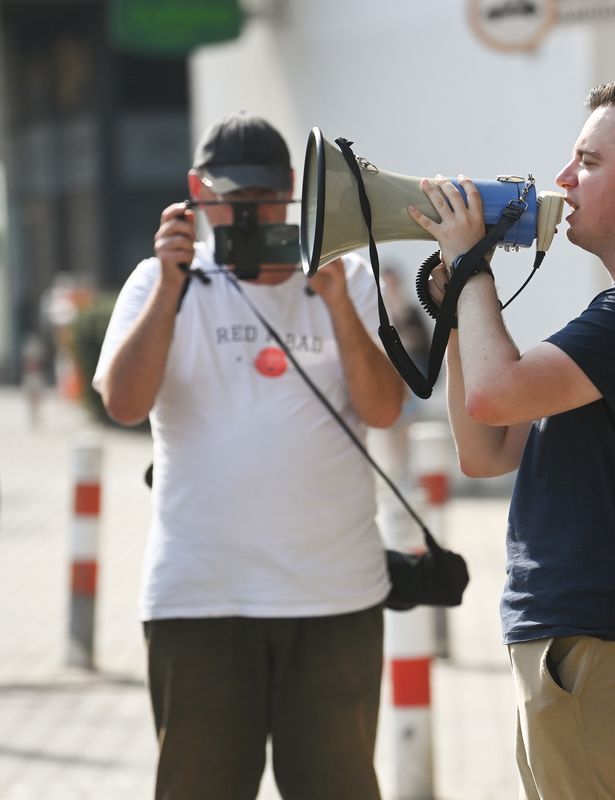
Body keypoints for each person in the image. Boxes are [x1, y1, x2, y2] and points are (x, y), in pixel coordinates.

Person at [408, 80, 615, 799]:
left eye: (586, 161)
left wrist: (471, 266)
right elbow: (485, 447)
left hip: (607, 644)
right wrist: (463, 303)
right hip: (589, 644)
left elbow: (497, 392)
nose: (561, 182)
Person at [92, 112, 408, 800]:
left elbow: (384, 409)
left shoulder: (344, 274)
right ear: (196, 195)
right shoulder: (157, 282)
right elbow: (122, 402)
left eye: (265, 198)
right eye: (233, 200)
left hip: (334, 597)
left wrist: (337, 305)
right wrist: (173, 287)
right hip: (200, 599)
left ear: (293, 189)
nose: (251, 213)